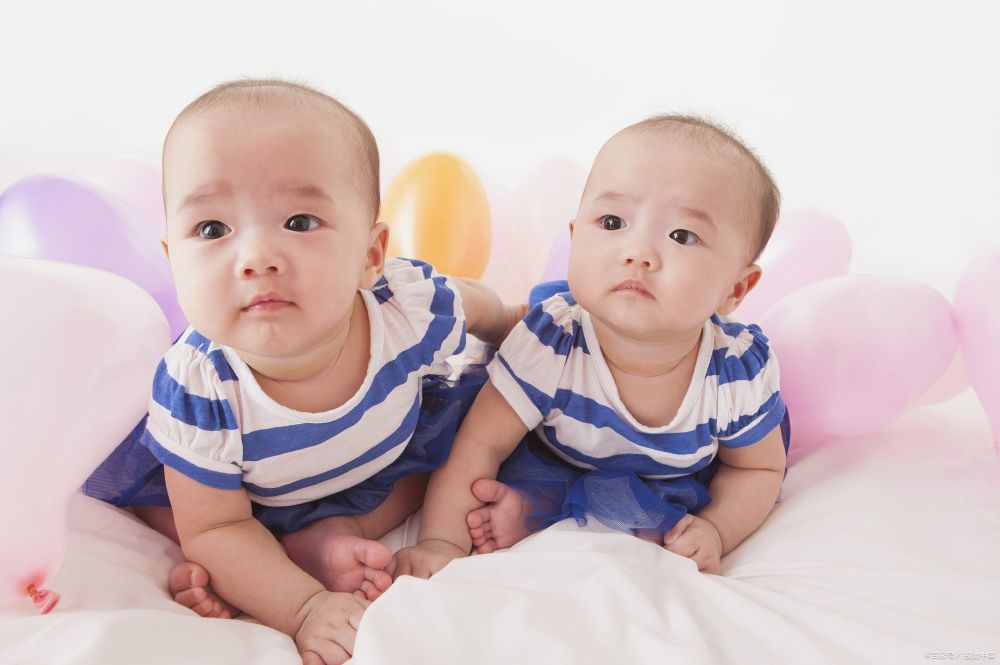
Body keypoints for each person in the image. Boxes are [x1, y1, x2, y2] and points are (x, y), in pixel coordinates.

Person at [84, 78, 522, 665]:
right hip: (247, 501)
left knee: (457, 447)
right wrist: (304, 607)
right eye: (212, 230)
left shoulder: (406, 308)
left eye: (299, 221)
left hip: (380, 457)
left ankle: (335, 536)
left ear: (371, 256)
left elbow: (477, 304)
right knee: (177, 519)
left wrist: (513, 322)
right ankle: (277, 566)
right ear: (173, 261)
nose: (257, 258)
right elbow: (214, 528)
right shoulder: (199, 387)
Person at [394, 114, 790, 581]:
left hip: (669, 475)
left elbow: (757, 471)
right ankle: (530, 504)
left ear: (736, 289)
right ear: (574, 238)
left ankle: (539, 507)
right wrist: (441, 542)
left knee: (664, 515)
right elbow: (480, 443)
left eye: (682, 235)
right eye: (612, 222)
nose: (637, 252)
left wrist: (717, 529)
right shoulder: (552, 342)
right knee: (510, 459)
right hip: (556, 449)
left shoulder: (734, 372)